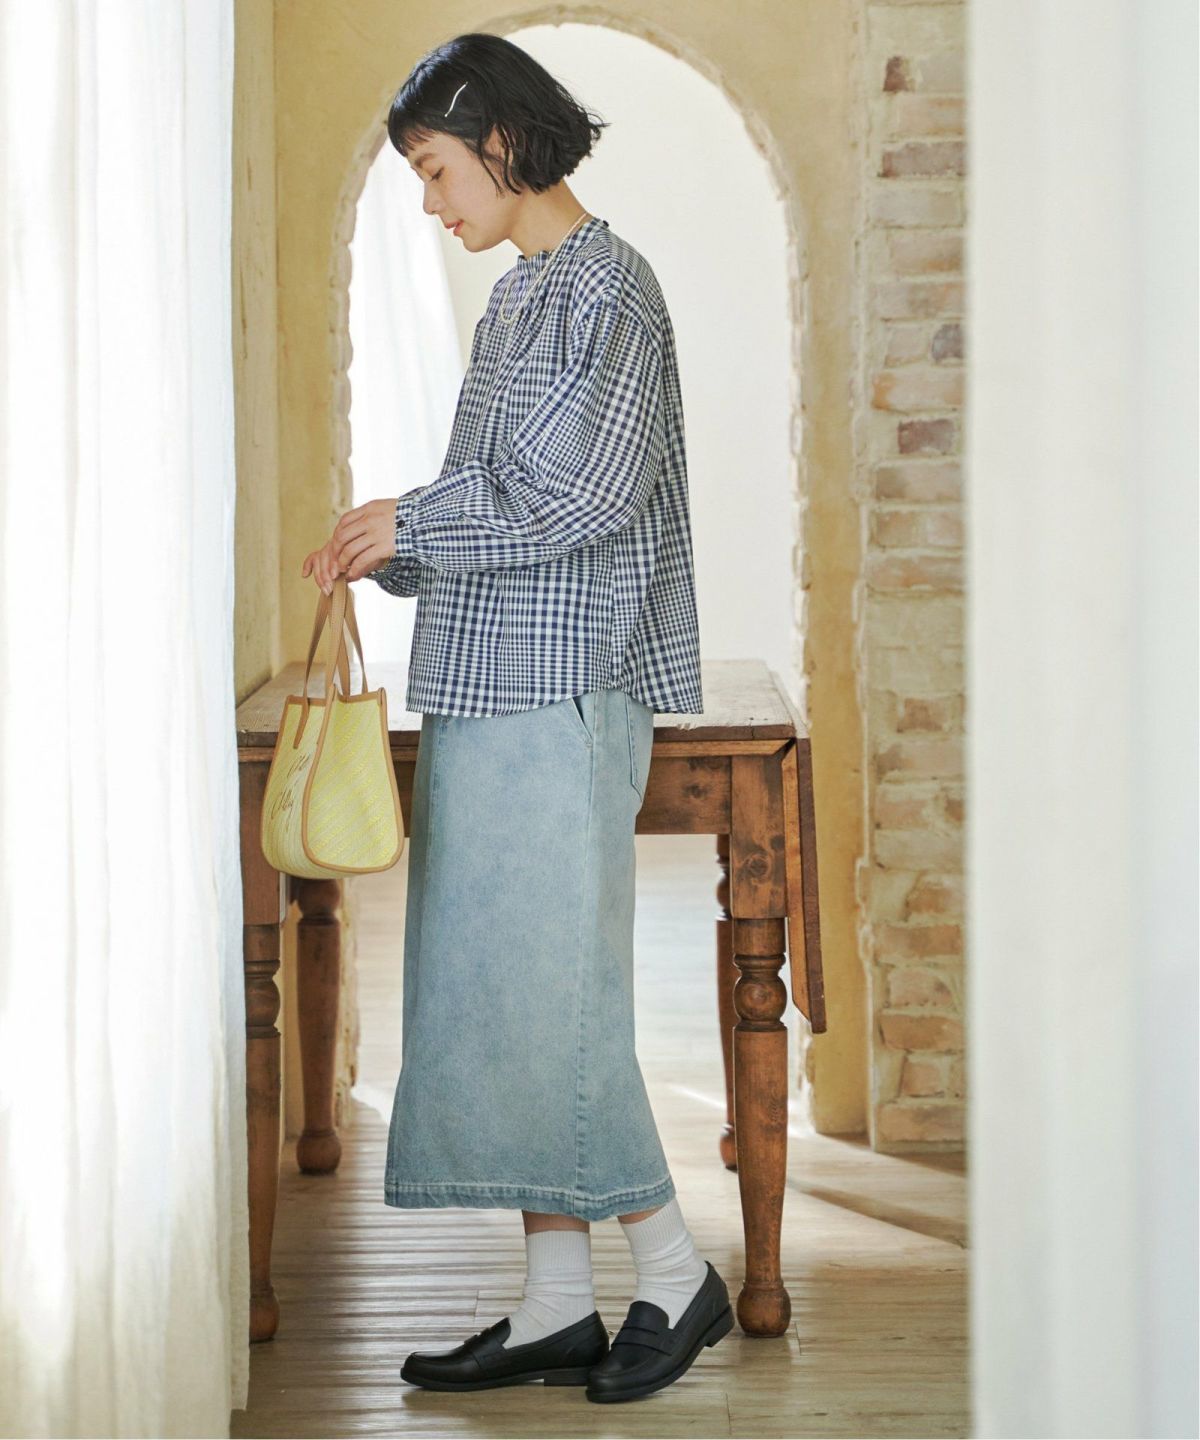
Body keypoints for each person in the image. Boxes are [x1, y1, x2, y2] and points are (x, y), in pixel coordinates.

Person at [300, 32, 730, 1404]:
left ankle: (675, 1271)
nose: (432, 203)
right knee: (495, 1000)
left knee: (557, 1000)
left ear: (499, 142)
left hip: (569, 689)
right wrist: (393, 544)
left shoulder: (612, 289)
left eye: (436, 172)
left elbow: (586, 499)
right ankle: (556, 1302)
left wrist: (413, 521)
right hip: (487, 684)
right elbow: (494, 501)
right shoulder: (521, 299)